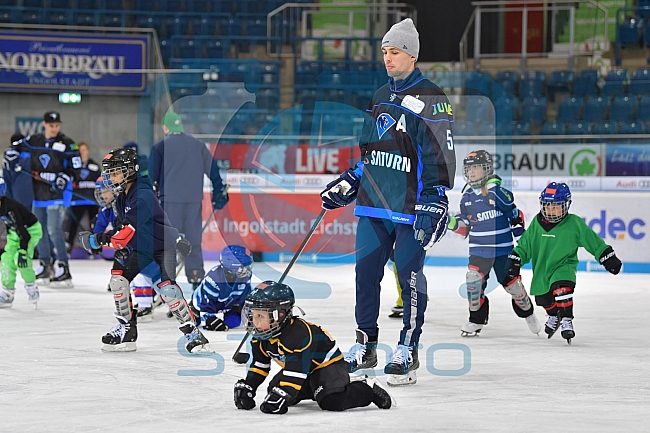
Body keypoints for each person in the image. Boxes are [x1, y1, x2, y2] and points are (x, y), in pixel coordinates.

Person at [319, 18, 456, 386]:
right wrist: (352, 180)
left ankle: (407, 349)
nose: (387, 58)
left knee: (409, 279)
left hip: (411, 207)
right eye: (384, 51)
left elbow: (439, 153)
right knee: (365, 277)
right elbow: (370, 151)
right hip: (374, 203)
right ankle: (365, 346)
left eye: (394, 51)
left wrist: (435, 196)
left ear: (411, 54)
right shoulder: (380, 95)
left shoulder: (432, 98)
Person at [78, 147, 209, 353]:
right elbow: (127, 228)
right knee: (118, 279)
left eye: (115, 172)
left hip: (161, 247)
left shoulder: (142, 195)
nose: (111, 178)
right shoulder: (123, 196)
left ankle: (194, 334)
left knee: (167, 289)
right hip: (142, 248)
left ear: (130, 170)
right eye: (110, 173)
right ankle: (127, 329)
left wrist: (97, 240)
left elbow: (123, 235)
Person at [233, 280, 393, 414]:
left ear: (280, 314)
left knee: (332, 401)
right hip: (304, 371)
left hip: (327, 366)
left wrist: (286, 393)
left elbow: (296, 371)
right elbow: (260, 365)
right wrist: (249, 386)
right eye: (253, 315)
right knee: (274, 390)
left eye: (260, 315)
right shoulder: (262, 336)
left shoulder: (299, 334)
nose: (255, 321)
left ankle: (366, 389)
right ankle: (317, 389)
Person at [506, 182, 622, 344]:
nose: (551, 210)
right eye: (548, 206)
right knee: (543, 299)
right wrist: (516, 259)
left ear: (566, 205)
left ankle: (567, 319)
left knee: (562, 289)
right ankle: (555, 315)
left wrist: (606, 255)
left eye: (556, 206)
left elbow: (592, 240)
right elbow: (526, 246)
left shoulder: (574, 223)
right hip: (542, 269)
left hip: (564, 267)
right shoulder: (536, 224)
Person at [448, 150, 541, 336]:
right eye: (469, 168)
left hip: (503, 250)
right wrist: (450, 223)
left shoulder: (497, 192)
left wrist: (522, 239)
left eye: (476, 168)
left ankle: (528, 313)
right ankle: (476, 320)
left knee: (513, 286)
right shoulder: (466, 198)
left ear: (487, 169)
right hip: (479, 250)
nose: (472, 172)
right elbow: (466, 225)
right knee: (473, 282)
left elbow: (515, 215)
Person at [150, 112, 229, 289]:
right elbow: (213, 171)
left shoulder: (160, 146)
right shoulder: (198, 145)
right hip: (193, 200)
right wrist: (219, 191)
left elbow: (151, 178)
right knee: (193, 241)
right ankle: (196, 278)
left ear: (165, 127)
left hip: (170, 201)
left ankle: (166, 280)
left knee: (169, 243)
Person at [12, 111, 80, 286]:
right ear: (44, 124)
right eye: (51, 125)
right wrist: (11, 153)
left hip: (57, 195)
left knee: (53, 229)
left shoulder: (67, 143)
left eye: (57, 125)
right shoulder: (34, 141)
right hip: (38, 196)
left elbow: (76, 166)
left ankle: (63, 266)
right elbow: (16, 147)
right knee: (39, 230)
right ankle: (45, 264)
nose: (54, 128)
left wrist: (65, 177)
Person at [93, 176, 157, 321]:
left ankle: (147, 304)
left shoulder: (126, 203)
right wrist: (95, 242)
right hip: (126, 244)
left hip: (144, 242)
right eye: (100, 192)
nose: (103, 195)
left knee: (149, 275)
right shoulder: (106, 209)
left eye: (105, 191)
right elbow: (100, 225)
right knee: (129, 271)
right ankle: (144, 300)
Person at [0, 176, 43, 308]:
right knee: (6, 259)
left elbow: (23, 233)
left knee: (21, 260)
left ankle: (31, 287)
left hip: (31, 230)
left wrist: (23, 250)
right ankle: (7, 292)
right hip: (15, 232)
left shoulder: (10, 207)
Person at [191, 244, 253, 331]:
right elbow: (206, 305)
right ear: (232, 266)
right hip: (202, 305)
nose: (247, 270)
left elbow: (247, 299)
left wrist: (253, 314)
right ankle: (192, 310)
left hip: (228, 304)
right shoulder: (214, 279)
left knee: (234, 321)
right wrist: (209, 319)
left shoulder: (245, 278)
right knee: (192, 322)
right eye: (243, 267)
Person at [63, 142, 101, 254]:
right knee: (73, 223)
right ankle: (68, 245)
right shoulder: (73, 166)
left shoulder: (94, 166)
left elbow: (99, 180)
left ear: (88, 151)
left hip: (91, 200)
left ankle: (95, 246)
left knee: (95, 223)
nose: (82, 152)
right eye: (80, 150)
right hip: (77, 200)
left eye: (84, 150)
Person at [3, 133, 35, 211]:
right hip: (35, 196)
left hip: (18, 196)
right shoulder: (33, 155)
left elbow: (7, 179)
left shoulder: (8, 157)